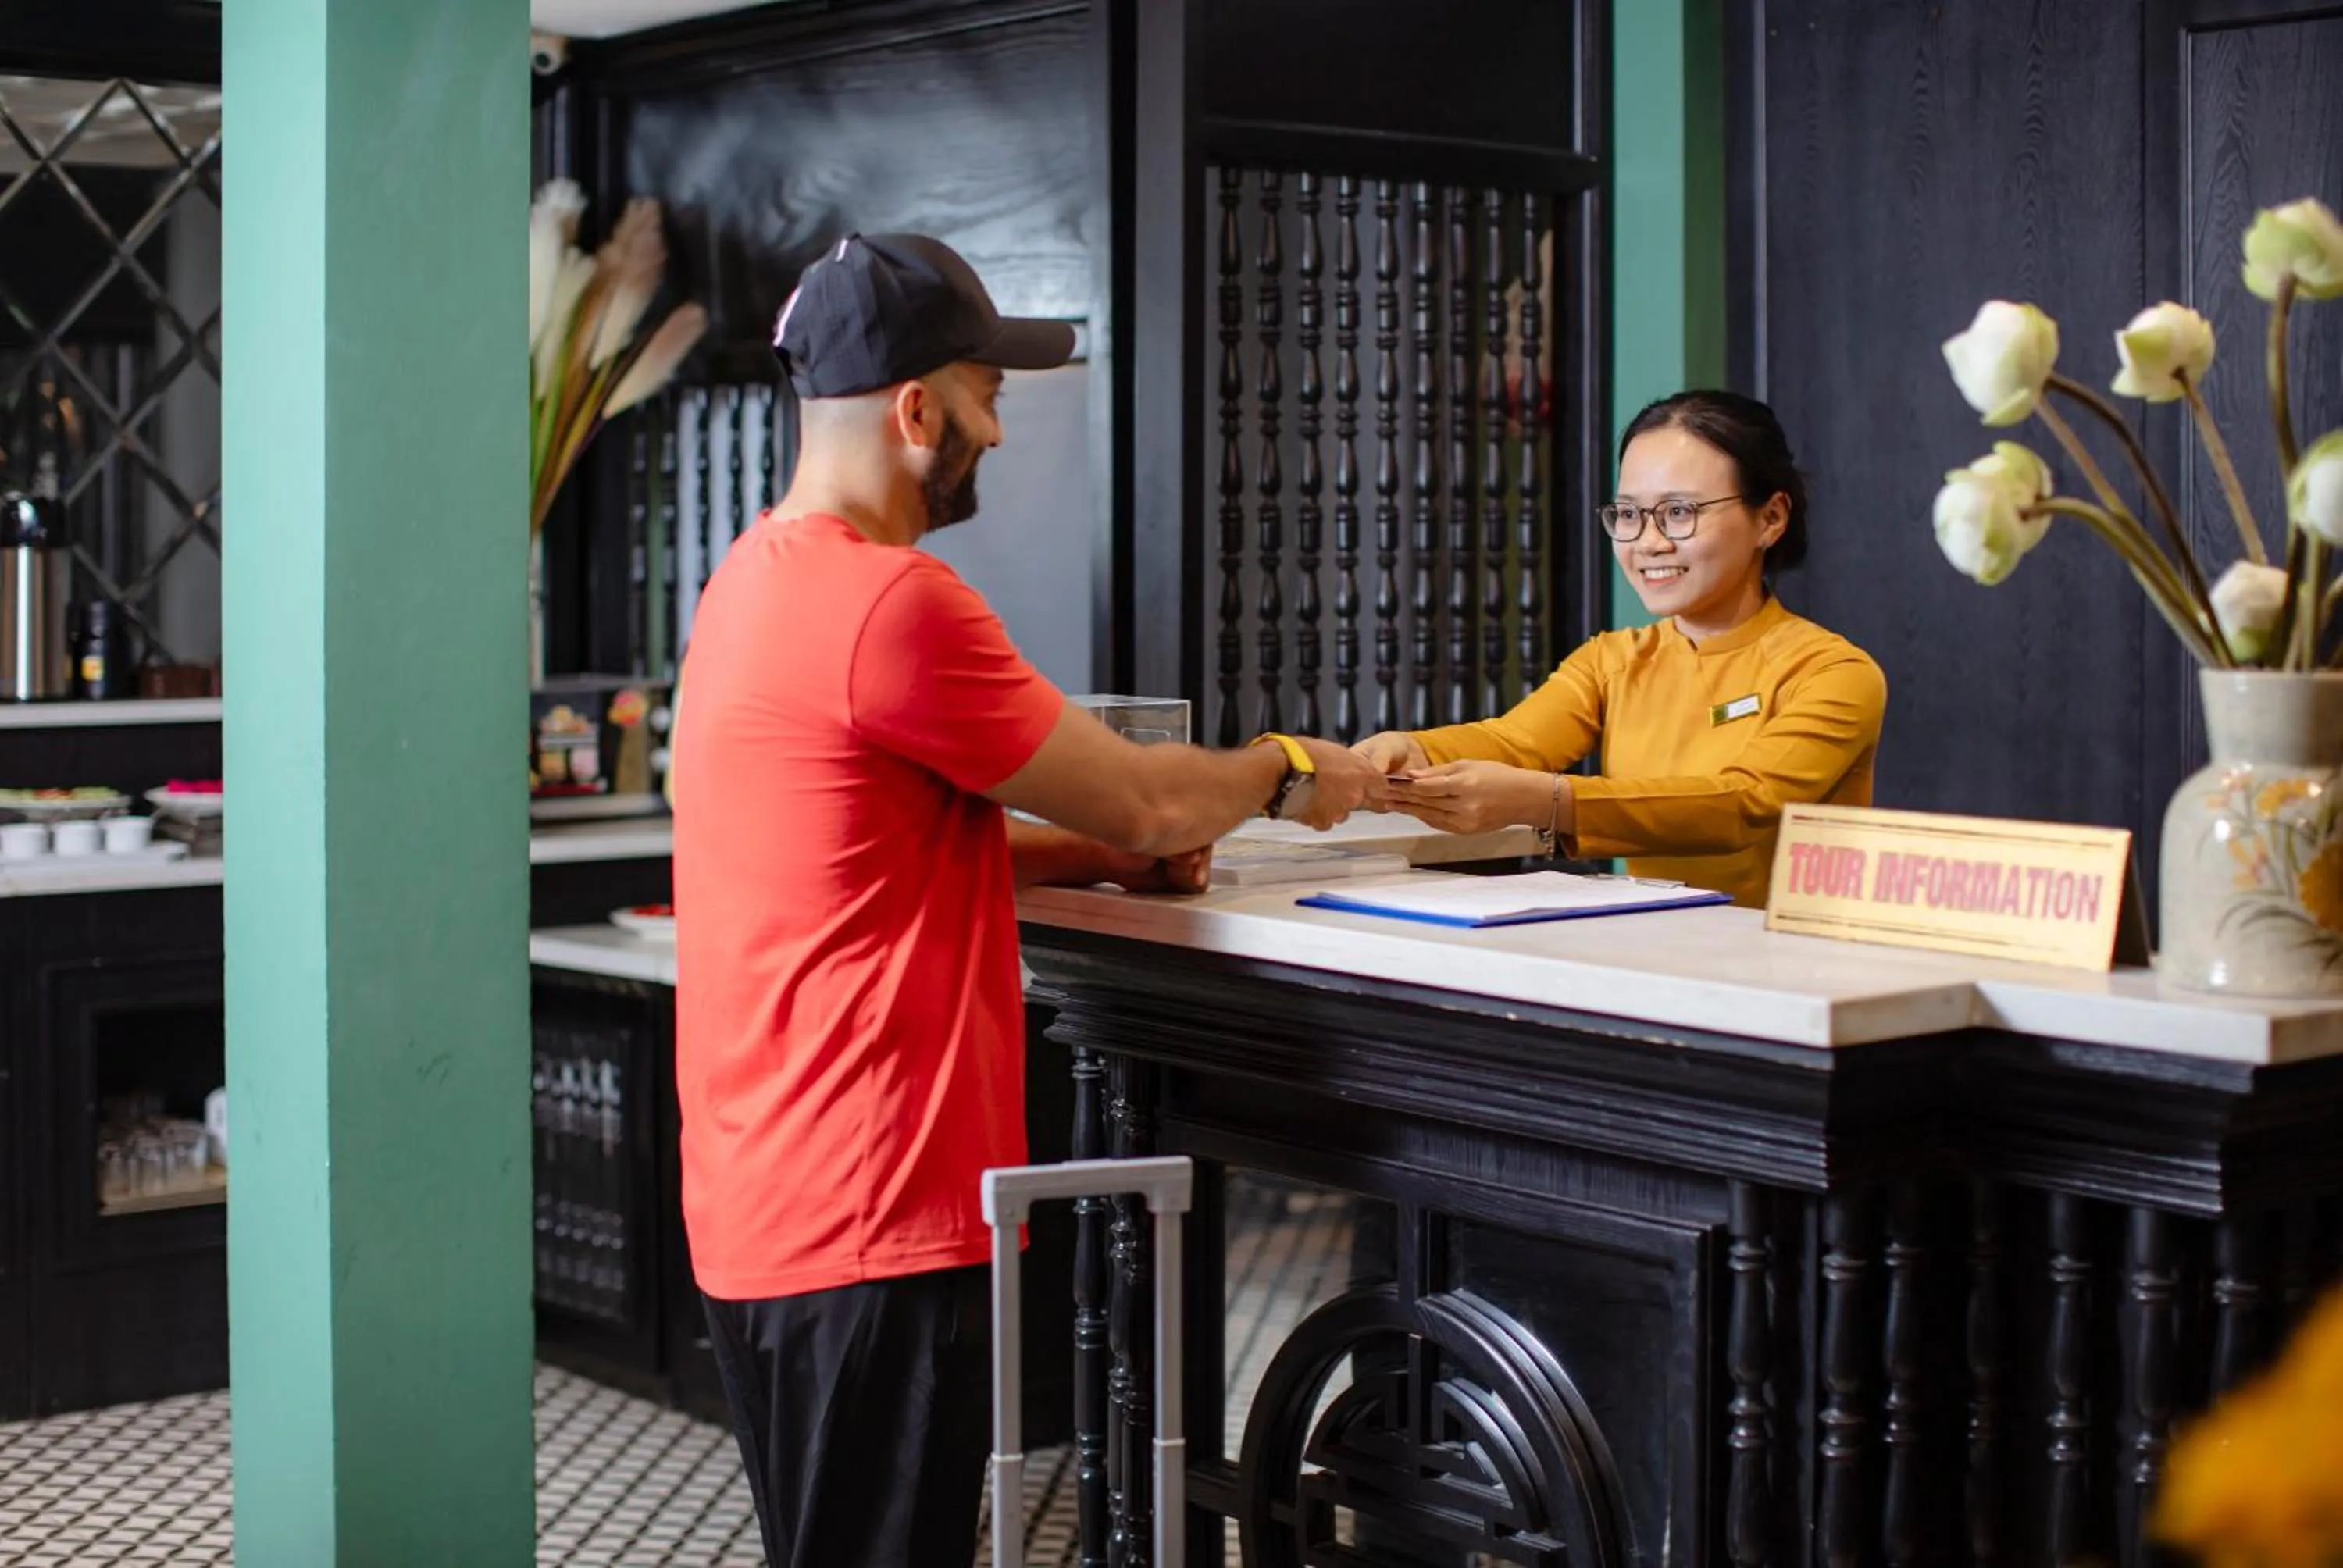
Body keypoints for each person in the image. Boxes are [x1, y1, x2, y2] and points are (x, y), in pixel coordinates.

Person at [669, 232, 1385, 1568]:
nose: (1000, 428)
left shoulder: (750, 582)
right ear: (915, 409)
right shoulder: (895, 603)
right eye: (988, 392)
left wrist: (1092, 865)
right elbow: (1153, 799)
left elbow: (878, 856)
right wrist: (1286, 768)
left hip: (766, 1192)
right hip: (872, 1207)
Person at [1364, 390, 1885, 908]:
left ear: (1770, 518)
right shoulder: (1613, 660)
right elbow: (1516, 741)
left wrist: (1550, 801)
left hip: (1794, 961)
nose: (1649, 542)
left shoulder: (1833, 672)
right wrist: (1414, 753)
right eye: (1630, 515)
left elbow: (1740, 805)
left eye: (1679, 512)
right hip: (1649, 945)